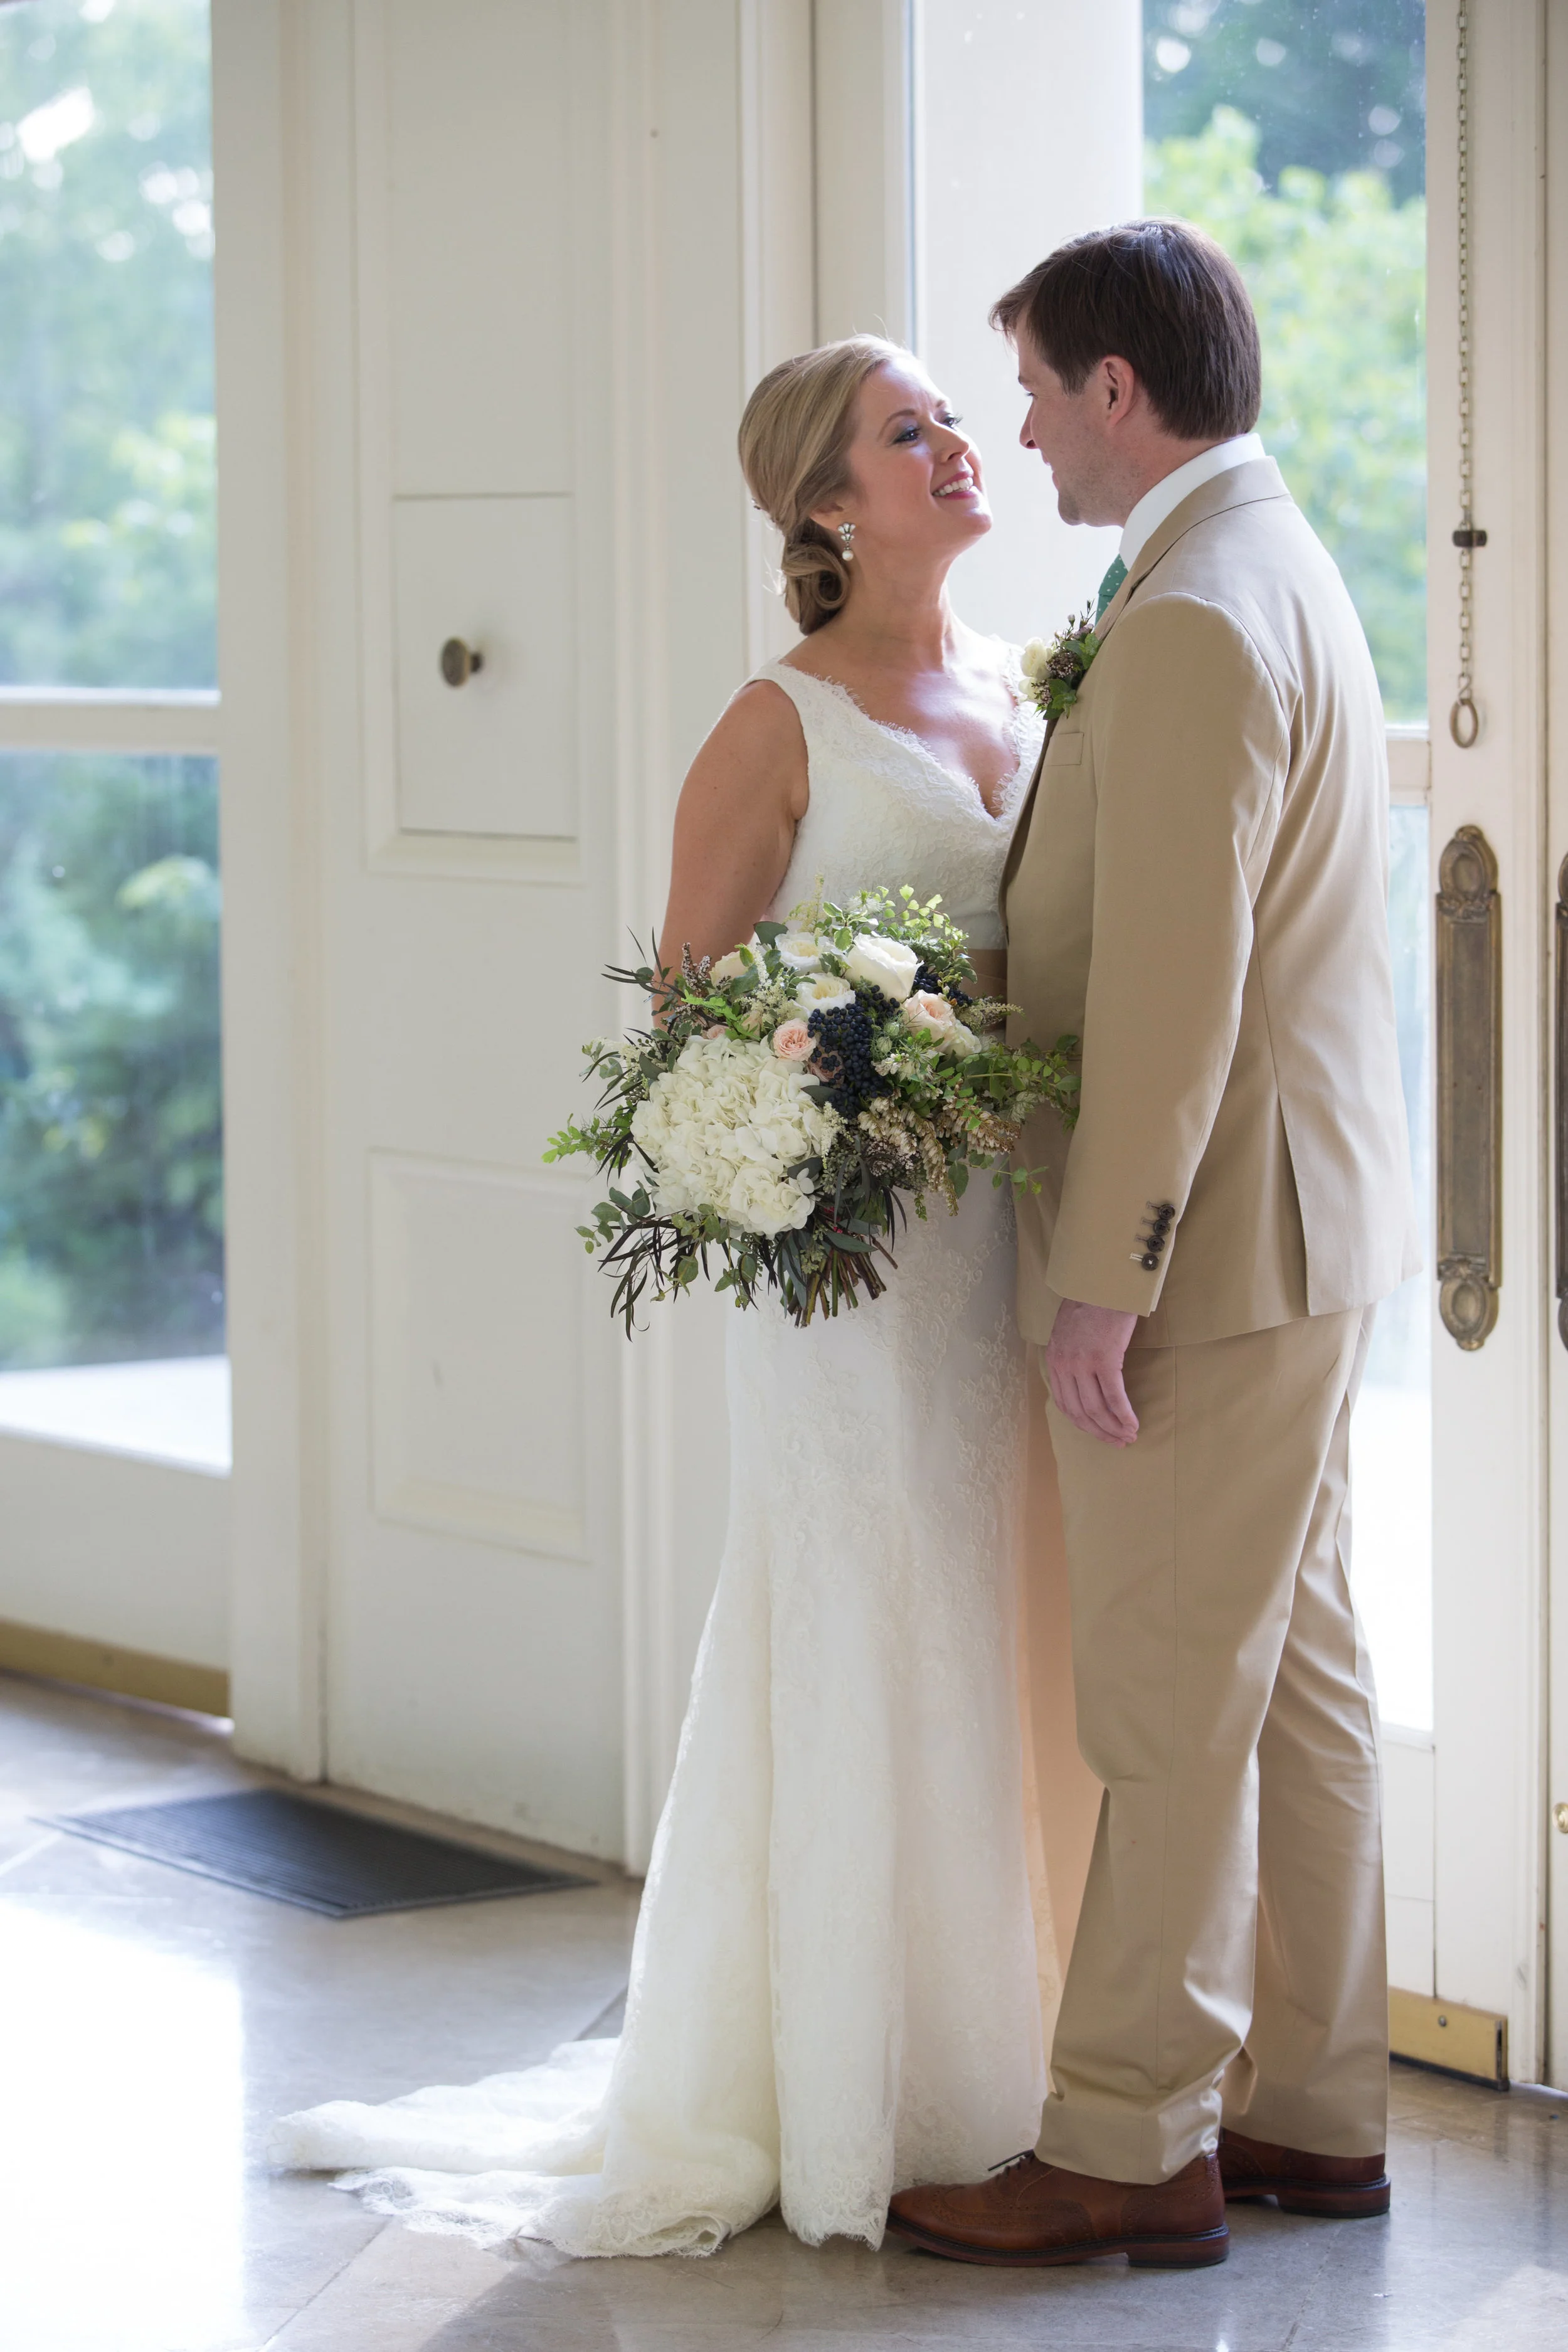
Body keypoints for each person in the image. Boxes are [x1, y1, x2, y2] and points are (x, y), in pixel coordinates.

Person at [273, 336, 1060, 2257]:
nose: (955, 443)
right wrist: (826, 1110)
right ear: (824, 502)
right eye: (907, 430)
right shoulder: (776, 723)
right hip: (848, 1268)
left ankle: (1019, 2060)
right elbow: (686, 1019)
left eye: (955, 416)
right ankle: (847, 2086)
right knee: (863, 1604)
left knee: (1000, 1605)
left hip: (1008, 1242)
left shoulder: (1032, 687)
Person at [888, 220, 1418, 2270]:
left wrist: (1102, 1275)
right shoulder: (1259, 557)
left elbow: (1178, 990)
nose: (1019, 432)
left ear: (1117, 387)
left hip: (1208, 1251)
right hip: (1301, 1226)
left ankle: (1128, 2135)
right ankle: (1313, 2107)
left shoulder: (1195, 611)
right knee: (1296, 1679)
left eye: (1034, 390)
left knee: (1167, 1696)